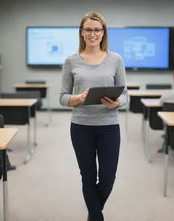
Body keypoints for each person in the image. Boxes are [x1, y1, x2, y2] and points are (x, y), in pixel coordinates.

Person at [59, 12, 127, 221]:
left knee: (107, 178)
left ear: (103, 32)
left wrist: (118, 103)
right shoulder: (71, 61)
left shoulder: (116, 59)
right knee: (88, 177)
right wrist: (78, 98)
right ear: (81, 32)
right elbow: (62, 97)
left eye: (97, 29)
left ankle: (92, 214)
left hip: (109, 126)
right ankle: (96, 217)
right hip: (81, 127)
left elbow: (125, 94)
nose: (93, 33)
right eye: (88, 29)